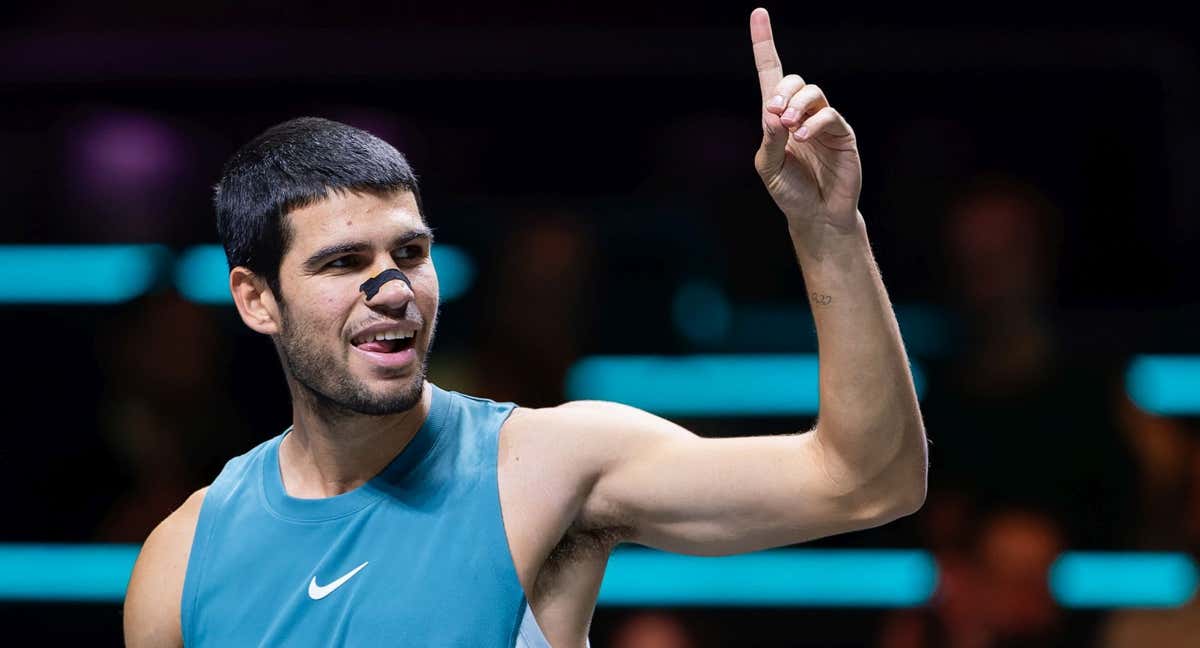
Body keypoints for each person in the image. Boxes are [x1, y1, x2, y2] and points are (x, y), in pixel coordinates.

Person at [123, 8, 927, 647]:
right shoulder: (180, 559)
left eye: (410, 251)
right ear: (257, 299)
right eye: (342, 263)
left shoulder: (549, 465)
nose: (393, 289)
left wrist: (828, 229)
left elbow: (868, 481)